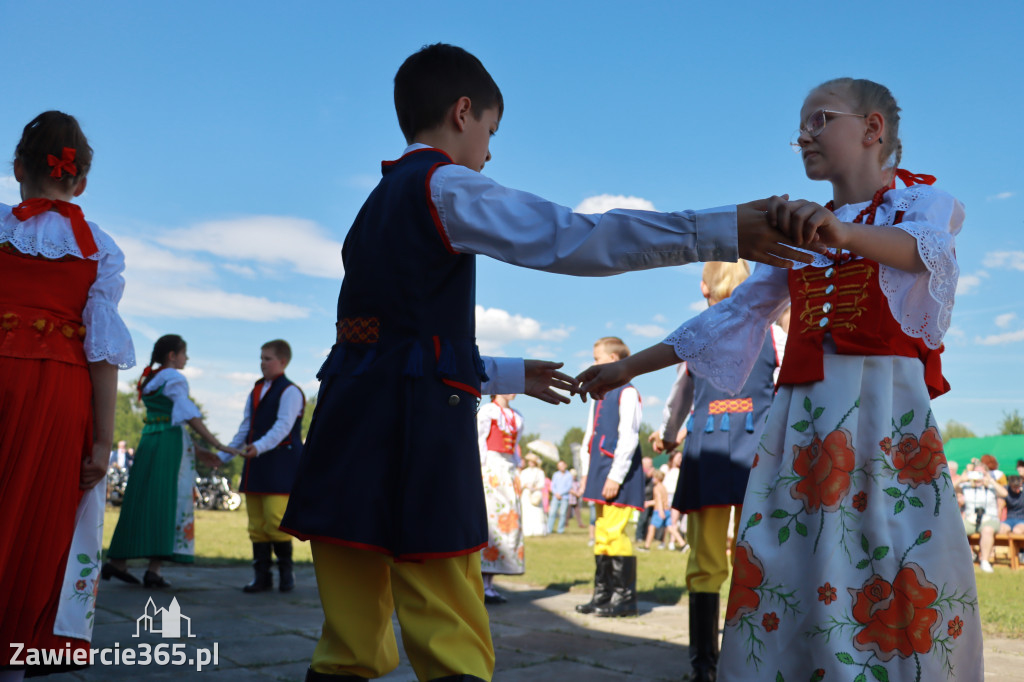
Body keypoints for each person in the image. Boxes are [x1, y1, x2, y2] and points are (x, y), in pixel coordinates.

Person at [277, 42, 818, 682]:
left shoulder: (374, 205)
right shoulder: (444, 186)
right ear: (462, 112)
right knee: (449, 628)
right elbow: (573, 237)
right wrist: (720, 228)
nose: (489, 151)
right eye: (490, 131)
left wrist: (506, 374)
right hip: (414, 436)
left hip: (346, 424)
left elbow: (393, 344)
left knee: (348, 641)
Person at [578, 78, 982, 680]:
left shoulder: (920, 202)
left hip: (879, 411)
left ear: (873, 130)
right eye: (801, 125)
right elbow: (730, 315)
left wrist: (841, 233)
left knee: (890, 546)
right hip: (807, 420)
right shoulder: (798, 235)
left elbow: (922, 250)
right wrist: (628, 367)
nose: (803, 135)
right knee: (796, 557)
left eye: (819, 119)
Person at [0, 111, 135, 680]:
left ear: (17, 169)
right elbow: (103, 356)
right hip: (59, 393)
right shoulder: (100, 250)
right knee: (37, 519)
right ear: (79, 182)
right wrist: (103, 441)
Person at [660, 260, 786, 680]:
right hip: (760, 455)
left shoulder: (698, 332)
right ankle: (757, 661)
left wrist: (668, 434)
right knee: (759, 555)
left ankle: (703, 669)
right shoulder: (773, 332)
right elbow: (789, 387)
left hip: (708, 453)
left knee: (706, 559)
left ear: (703, 287)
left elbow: (680, 393)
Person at [103, 335, 235, 588]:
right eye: (184, 353)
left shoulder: (152, 378)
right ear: (172, 355)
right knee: (168, 500)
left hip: (150, 440)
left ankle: (118, 561)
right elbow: (187, 416)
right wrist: (217, 444)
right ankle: (154, 569)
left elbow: (168, 418)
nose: (187, 358)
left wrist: (197, 449)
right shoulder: (174, 377)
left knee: (139, 499)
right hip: (169, 446)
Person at [217, 339, 305, 593]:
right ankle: (262, 577)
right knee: (256, 524)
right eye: (261, 358)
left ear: (283, 362)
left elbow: (283, 427)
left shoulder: (291, 391)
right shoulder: (256, 390)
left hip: (280, 463)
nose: (262, 363)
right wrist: (224, 456)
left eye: (268, 358)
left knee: (275, 519)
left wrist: (258, 447)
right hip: (256, 463)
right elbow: (246, 427)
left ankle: (286, 575)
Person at [576, 337, 645, 619]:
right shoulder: (600, 394)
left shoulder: (627, 393)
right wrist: (584, 473)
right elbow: (588, 435)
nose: (593, 363)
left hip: (616, 471)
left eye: (597, 359)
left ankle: (624, 598)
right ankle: (603, 594)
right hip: (598, 469)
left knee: (615, 532)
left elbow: (629, 435)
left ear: (614, 360)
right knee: (602, 534)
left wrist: (616, 475)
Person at [476, 393, 525, 604]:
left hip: (508, 470)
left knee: (507, 524)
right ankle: (481, 584)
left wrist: (515, 470)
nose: (512, 391)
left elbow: (514, 449)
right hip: (490, 468)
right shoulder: (488, 411)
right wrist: (480, 469)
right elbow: (479, 441)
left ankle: (490, 585)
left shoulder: (517, 416)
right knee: (491, 522)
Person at [961, 464, 1006, 572]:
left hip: (989, 519)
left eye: (981, 473)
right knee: (956, 529)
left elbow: (1004, 493)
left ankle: (984, 561)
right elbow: (948, 490)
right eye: (975, 473)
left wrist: (991, 480)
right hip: (970, 518)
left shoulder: (991, 487)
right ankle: (961, 559)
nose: (978, 476)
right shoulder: (967, 486)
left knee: (987, 530)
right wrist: (961, 479)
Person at [519, 453, 548, 537]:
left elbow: (542, 484)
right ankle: (527, 531)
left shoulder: (540, 472)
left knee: (537, 513)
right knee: (527, 512)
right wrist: (526, 485)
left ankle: (538, 531)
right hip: (526, 493)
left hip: (535, 494)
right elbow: (521, 483)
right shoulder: (524, 472)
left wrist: (535, 487)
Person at [547, 460, 573, 534]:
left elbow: (569, 486)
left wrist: (560, 494)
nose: (561, 467)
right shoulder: (555, 474)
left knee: (562, 514)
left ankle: (560, 530)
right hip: (555, 497)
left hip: (564, 497)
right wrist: (556, 493)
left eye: (562, 465)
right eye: (559, 465)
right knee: (552, 513)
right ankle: (549, 529)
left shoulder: (569, 475)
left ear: (565, 465)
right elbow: (552, 485)